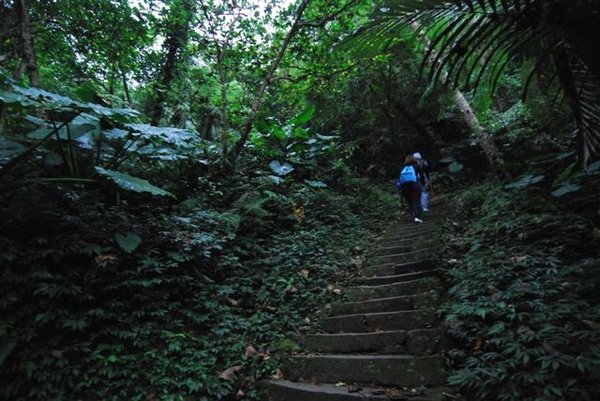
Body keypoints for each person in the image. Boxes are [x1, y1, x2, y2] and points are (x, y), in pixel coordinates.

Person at [397, 154, 425, 223]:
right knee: (416, 201)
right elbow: (422, 176)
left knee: (410, 202)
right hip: (415, 185)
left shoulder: (403, 168)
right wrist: (423, 183)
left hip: (404, 188)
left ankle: (413, 215)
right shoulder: (416, 166)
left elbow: (399, 179)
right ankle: (417, 217)